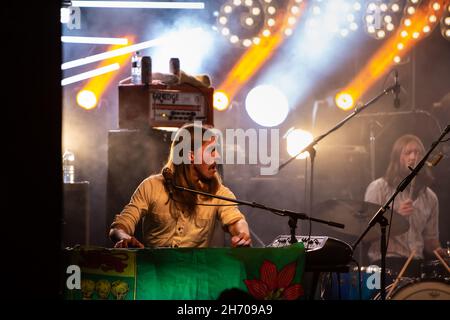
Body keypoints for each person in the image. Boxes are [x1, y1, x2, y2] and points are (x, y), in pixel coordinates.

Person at [109, 123, 252, 248]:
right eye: (211, 151)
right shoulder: (151, 186)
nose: (218, 157)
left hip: (194, 274)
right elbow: (120, 226)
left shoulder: (218, 192)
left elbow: (236, 220)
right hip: (154, 273)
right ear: (190, 156)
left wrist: (242, 234)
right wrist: (125, 238)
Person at [364, 134, 448, 276]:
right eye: (408, 152)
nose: (414, 157)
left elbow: (430, 240)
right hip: (384, 263)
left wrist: (440, 251)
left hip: (416, 264)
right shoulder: (378, 188)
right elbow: (365, 233)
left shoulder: (431, 197)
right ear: (397, 158)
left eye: (418, 152)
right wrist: (395, 218)